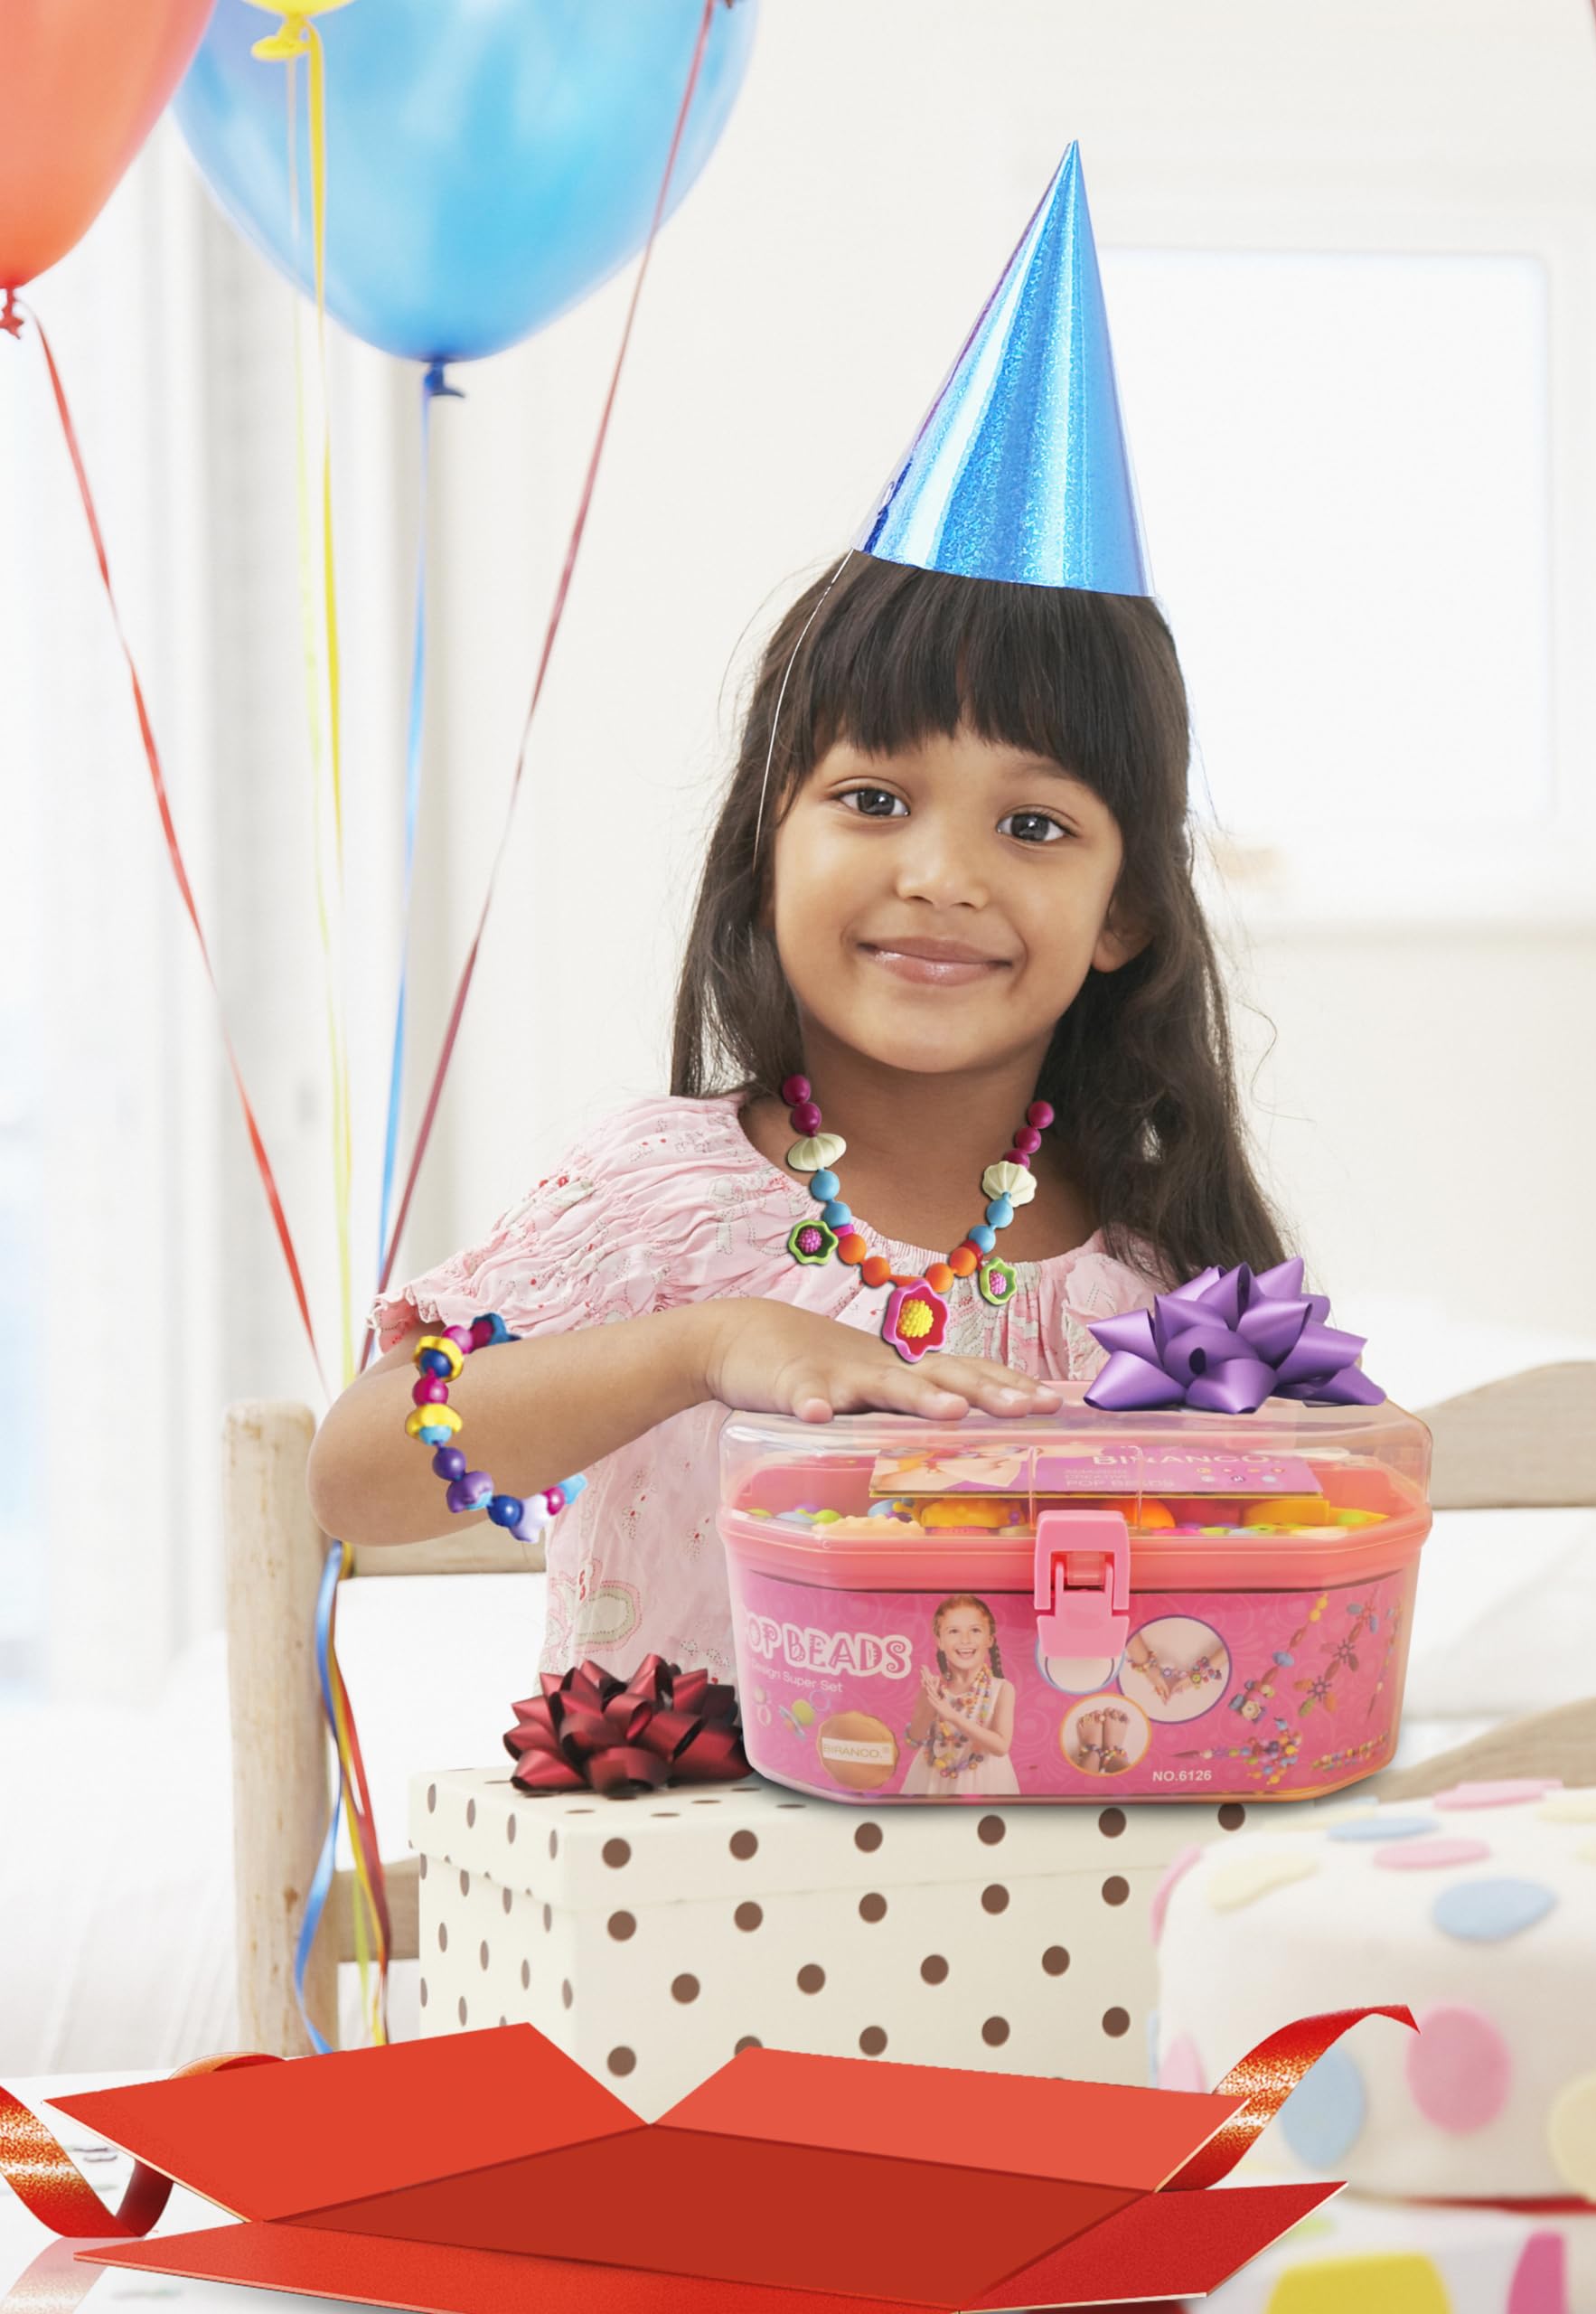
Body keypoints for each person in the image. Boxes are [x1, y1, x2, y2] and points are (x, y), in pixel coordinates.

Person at [305, 150, 1286, 1682]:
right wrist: (700, 1346)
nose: (939, 875)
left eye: (1031, 825)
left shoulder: (1154, 1265)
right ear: (768, 837)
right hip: (694, 1900)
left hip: (1043, 1902)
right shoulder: (665, 1202)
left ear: (1126, 917)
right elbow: (358, 1469)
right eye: (873, 798)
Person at [900, 1596, 1017, 1796]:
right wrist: (931, 1701)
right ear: (940, 1641)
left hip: (984, 1779)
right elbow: (915, 1738)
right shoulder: (935, 1687)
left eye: (975, 1630)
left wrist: (953, 1716)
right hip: (932, 1779)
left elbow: (1001, 1747)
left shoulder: (1002, 1689)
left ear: (989, 1639)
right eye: (954, 1631)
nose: (965, 1640)